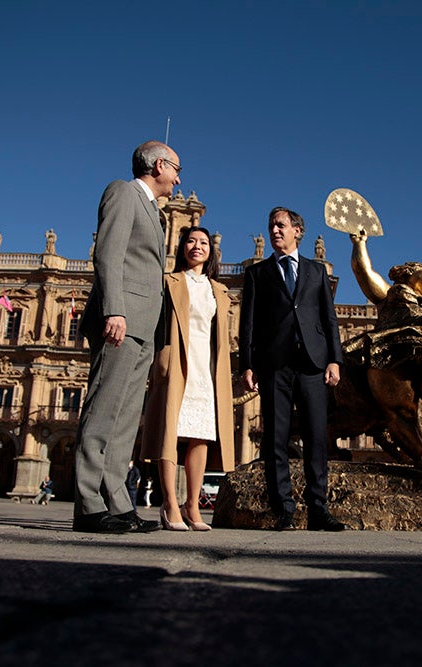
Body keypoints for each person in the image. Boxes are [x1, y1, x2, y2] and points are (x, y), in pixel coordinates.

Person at [72, 140, 181, 535]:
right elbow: (108, 254)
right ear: (157, 165)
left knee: (124, 419)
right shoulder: (123, 192)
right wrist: (113, 308)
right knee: (103, 409)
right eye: (176, 168)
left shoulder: (155, 211)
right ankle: (87, 505)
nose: (179, 177)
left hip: (144, 326)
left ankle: (117, 503)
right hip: (121, 319)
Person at [239, 206, 348, 532]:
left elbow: (329, 319)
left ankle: (319, 509)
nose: (275, 230)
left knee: (316, 437)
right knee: (275, 438)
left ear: (297, 231)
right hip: (275, 365)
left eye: (281, 225)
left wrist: (335, 359)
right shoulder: (258, 274)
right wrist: (246, 365)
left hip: (313, 364)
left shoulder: (316, 271)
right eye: (271, 225)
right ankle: (283, 509)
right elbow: (248, 324)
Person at [141, 225, 235, 532]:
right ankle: (169, 504)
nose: (197, 246)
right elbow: (154, 324)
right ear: (183, 247)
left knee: (201, 434)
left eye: (204, 242)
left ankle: (192, 506)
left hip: (205, 368)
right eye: (191, 241)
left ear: (211, 251)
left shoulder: (218, 290)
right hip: (176, 363)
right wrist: (156, 361)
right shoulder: (168, 282)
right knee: (170, 431)